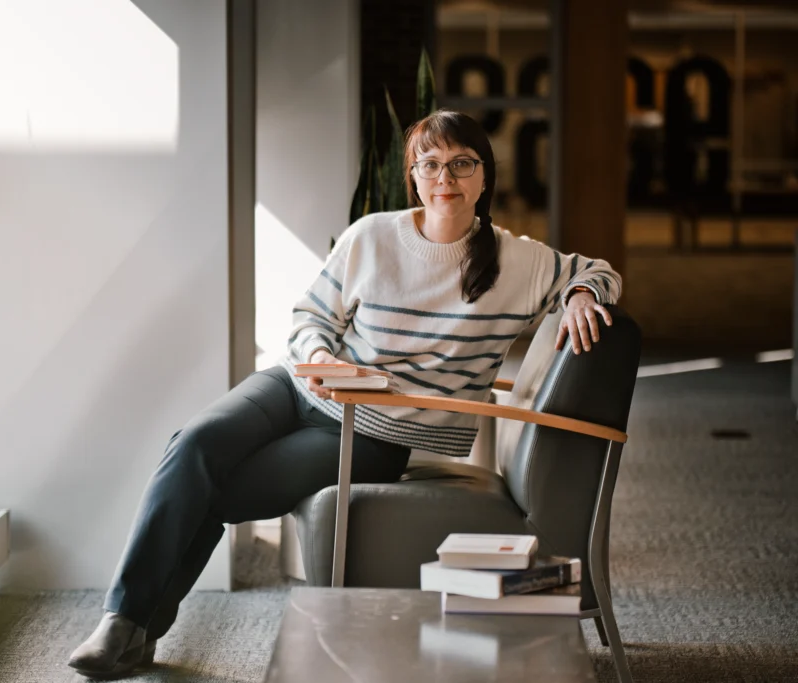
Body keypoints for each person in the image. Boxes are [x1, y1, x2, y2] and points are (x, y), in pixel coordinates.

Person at [67, 109, 621, 679]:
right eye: (429, 164)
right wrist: (318, 357)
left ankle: (133, 629)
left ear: (484, 176)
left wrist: (579, 293)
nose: (444, 178)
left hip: (376, 433)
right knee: (194, 443)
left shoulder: (517, 262)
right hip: (298, 387)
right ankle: (121, 623)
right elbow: (310, 315)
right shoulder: (372, 236)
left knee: (221, 492)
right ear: (413, 176)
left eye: (461, 164)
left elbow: (598, 272)